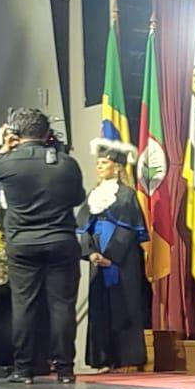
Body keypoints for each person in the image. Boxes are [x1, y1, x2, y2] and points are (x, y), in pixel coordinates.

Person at [0, 108, 86, 383]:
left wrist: (3, 148)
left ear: (14, 133)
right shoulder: (66, 163)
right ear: (47, 133)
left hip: (22, 244)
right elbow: (77, 198)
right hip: (61, 241)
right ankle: (65, 370)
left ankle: (23, 369)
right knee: (62, 307)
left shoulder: (8, 161)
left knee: (24, 306)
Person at [78, 138, 149, 372]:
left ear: (117, 167)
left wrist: (111, 256)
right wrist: (91, 253)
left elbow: (128, 228)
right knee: (100, 306)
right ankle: (102, 358)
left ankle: (126, 358)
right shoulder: (93, 194)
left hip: (122, 258)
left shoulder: (127, 194)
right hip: (97, 255)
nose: (99, 166)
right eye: (98, 162)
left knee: (123, 304)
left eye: (104, 162)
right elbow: (82, 228)